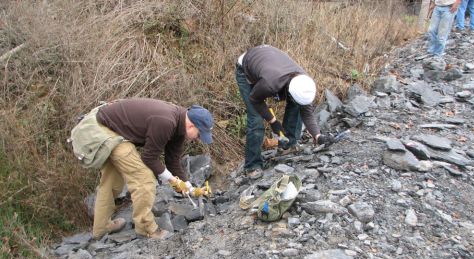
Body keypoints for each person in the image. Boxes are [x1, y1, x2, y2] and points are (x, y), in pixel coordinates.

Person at [79, 98, 213, 240]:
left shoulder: (179, 126)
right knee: (144, 178)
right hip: (102, 128)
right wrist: (173, 180)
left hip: (111, 128)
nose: (198, 139)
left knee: (112, 181)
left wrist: (189, 187)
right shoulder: (166, 122)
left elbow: (172, 162)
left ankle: (101, 229)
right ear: (191, 126)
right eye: (199, 134)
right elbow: (149, 158)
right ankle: (147, 229)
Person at [235, 45, 333, 179]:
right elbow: (255, 100)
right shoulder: (271, 83)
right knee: (256, 118)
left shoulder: (303, 83)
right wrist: (273, 121)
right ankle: (252, 166)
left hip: (269, 63)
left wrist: (317, 136)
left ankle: (287, 145)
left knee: (297, 104)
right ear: (288, 91)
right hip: (246, 68)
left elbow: (307, 112)